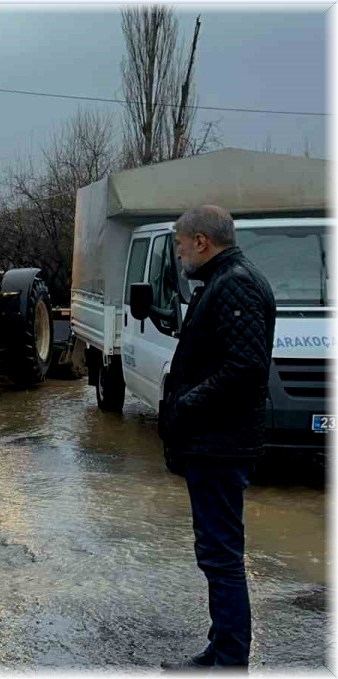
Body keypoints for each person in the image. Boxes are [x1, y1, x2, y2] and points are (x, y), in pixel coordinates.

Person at [158, 205, 275, 672]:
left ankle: (228, 659)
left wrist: (186, 404)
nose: (180, 251)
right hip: (215, 440)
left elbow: (244, 369)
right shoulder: (226, 280)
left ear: (202, 241)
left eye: (181, 243)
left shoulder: (236, 283)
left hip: (220, 442)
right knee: (217, 551)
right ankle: (221, 648)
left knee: (221, 555)